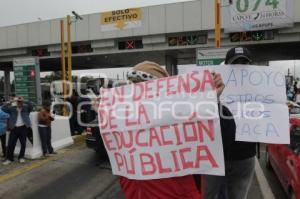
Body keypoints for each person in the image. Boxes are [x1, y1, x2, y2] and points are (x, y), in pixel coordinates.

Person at [117, 61, 235, 199]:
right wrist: (103, 115)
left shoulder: (183, 117)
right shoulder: (124, 119)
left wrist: (212, 103)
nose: (138, 94)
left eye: (144, 87)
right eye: (133, 87)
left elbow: (225, 138)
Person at [204, 46, 256, 199]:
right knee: (207, 194)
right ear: (226, 66)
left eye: (244, 63)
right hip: (216, 156)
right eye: (235, 63)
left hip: (244, 156)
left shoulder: (262, 88)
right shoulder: (213, 86)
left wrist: (277, 110)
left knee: (238, 196)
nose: (240, 66)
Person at [2, 96, 33, 165]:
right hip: (14, 128)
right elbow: (3, 108)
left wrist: (24, 100)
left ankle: (21, 157)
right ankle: (10, 158)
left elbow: (31, 105)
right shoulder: (12, 108)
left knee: (23, 144)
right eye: (18, 102)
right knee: (11, 144)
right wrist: (10, 102)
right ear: (16, 102)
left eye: (20, 102)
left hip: (23, 128)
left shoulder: (26, 108)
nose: (19, 103)